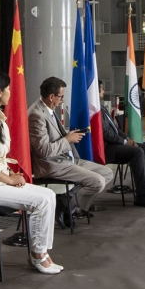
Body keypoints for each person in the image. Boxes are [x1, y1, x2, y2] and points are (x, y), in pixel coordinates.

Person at [0, 72, 63, 274]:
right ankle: (38, 255)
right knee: (41, 201)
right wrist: (9, 179)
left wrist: (10, 177)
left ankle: (40, 251)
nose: (10, 93)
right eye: (7, 89)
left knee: (49, 196)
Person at [28, 77, 108, 217]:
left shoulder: (49, 108)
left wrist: (68, 136)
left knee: (107, 173)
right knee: (97, 181)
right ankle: (71, 209)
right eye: (61, 96)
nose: (63, 100)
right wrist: (67, 139)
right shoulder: (36, 115)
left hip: (66, 158)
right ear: (52, 96)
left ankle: (66, 201)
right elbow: (43, 150)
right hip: (52, 164)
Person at [98, 99, 145, 207]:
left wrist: (128, 139)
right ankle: (142, 196)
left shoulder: (102, 108)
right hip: (106, 147)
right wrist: (124, 142)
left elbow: (116, 129)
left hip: (116, 143)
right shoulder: (94, 109)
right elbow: (106, 133)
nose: (103, 91)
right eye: (101, 88)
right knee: (137, 152)